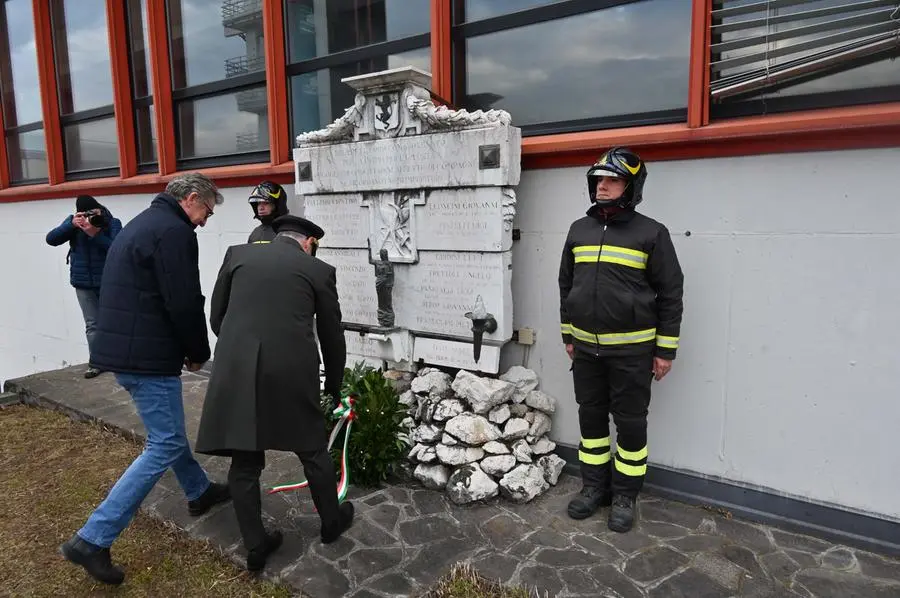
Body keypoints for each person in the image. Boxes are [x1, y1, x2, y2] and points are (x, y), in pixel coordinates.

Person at [60, 173, 231, 585]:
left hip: (128, 349)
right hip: (145, 355)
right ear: (191, 198)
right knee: (166, 442)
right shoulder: (174, 232)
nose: (204, 221)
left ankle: (198, 491)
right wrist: (197, 351)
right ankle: (92, 538)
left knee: (167, 431)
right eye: (206, 211)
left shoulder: (144, 222)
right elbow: (184, 298)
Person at [195, 214, 353, 572]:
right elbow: (331, 334)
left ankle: (256, 544)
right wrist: (334, 383)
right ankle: (331, 523)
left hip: (237, 366)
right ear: (309, 242)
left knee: (245, 459)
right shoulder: (318, 271)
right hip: (292, 369)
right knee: (312, 448)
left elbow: (217, 316)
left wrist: (244, 346)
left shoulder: (237, 255)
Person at [558, 146, 684, 533]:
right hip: (586, 351)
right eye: (598, 179)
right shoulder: (579, 229)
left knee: (630, 424)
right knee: (591, 418)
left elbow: (671, 293)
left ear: (631, 186)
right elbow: (567, 285)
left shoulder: (652, 233)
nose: (603, 186)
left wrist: (665, 350)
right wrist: (568, 334)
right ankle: (595, 487)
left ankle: (626, 494)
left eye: (612, 180)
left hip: (632, 351)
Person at [45, 195, 122, 379]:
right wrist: (71, 225)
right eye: (85, 214)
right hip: (83, 283)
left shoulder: (112, 223)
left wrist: (95, 234)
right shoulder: (74, 223)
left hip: (108, 281)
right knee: (92, 324)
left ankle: (119, 359)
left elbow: (119, 249)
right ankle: (96, 363)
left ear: (99, 209)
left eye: (92, 213)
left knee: (114, 322)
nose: (89, 217)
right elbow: (51, 239)